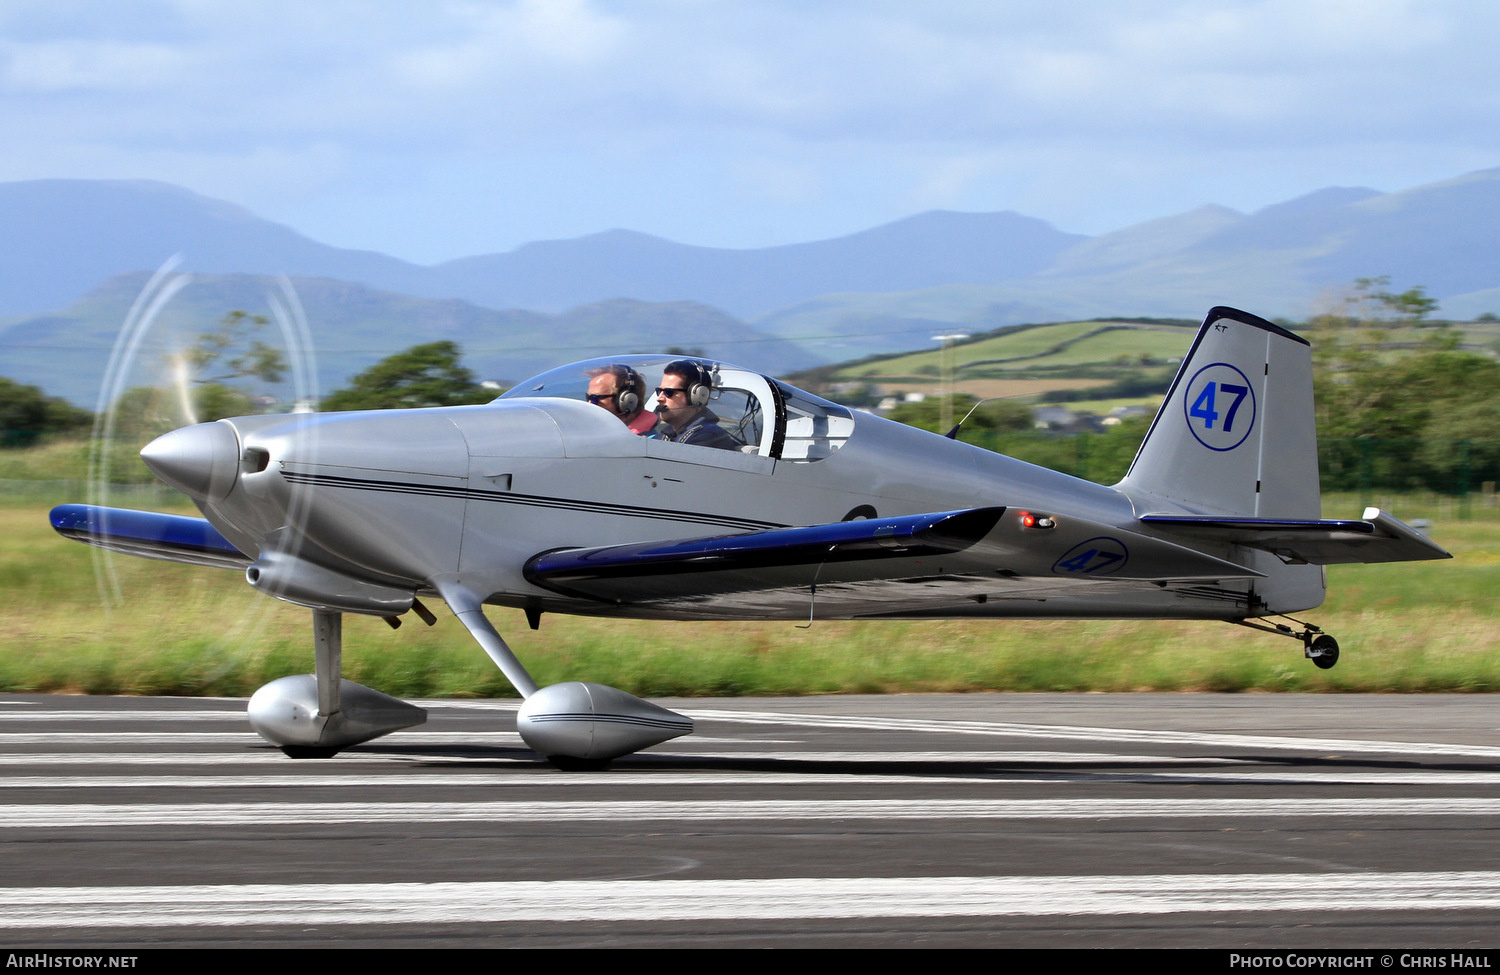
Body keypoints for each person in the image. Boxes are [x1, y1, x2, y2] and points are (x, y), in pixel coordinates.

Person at [651, 359, 740, 450]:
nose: (659, 399)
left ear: (697, 396)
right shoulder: (666, 435)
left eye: (668, 392)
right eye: (659, 391)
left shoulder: (708, 437)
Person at [586, 365, 658, 435]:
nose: (589, 403)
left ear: (627, 401)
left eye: (595, 398)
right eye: (588, 397)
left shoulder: (649, 443)